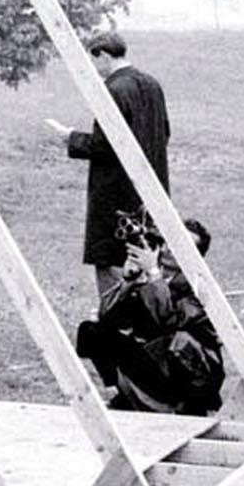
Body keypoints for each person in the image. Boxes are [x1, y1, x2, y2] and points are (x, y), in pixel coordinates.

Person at [51, 30, 169, 311]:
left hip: (115, 192)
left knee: (111, 258)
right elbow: (164, 132)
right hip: (150, 190)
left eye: (95, 61)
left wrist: (71, 137)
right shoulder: (152, 85)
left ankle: (115, 321)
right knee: (145, 254)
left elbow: (105, 145)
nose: (95, 70)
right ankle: (150, 316)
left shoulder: (113, 90)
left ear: (102, 55)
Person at [76, 217, 223, 415]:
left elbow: (168, 320)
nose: (170, 249)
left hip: (191, 370)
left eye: (181, 246)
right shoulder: (153, 277)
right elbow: (107, 315)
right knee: (93, 331)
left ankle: (189, 407)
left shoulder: (200, 287)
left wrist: (153, 274)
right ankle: (125, 395)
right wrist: (129, 280)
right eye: (170, 242)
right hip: (157, 357)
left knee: (177, 339)